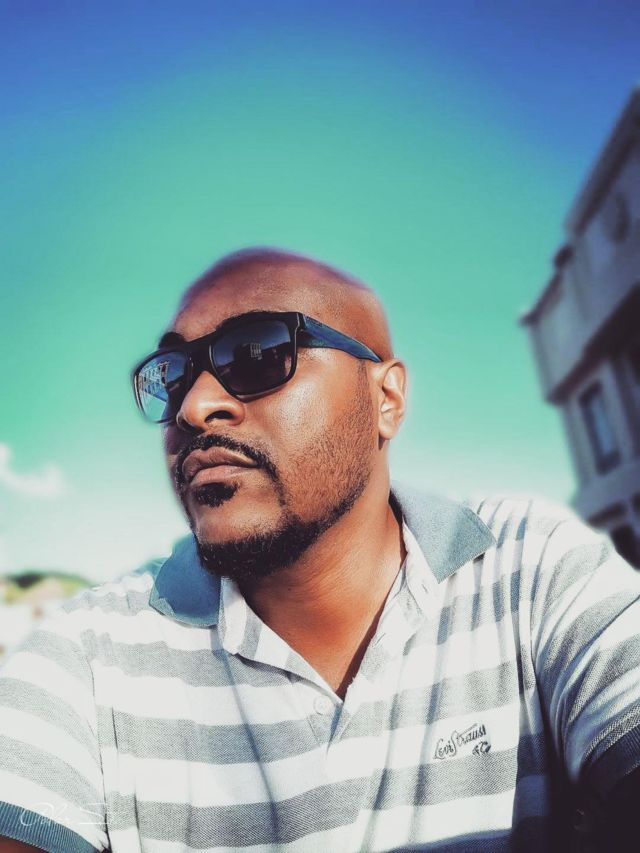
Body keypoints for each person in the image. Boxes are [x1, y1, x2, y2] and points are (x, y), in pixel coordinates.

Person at [0, 248, 638, 853]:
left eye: (255, 353)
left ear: (385, 399)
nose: (194, 407)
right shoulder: (90, 652)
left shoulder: (528, 567)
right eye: (173, 376)